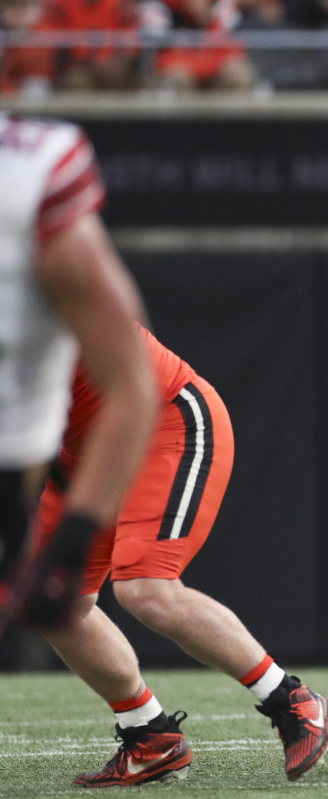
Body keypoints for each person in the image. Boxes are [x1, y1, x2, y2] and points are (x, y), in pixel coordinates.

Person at [34, 325, 328, 786]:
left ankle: (290, 700)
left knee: (145, 587)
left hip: (160, 417)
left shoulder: (43, 274)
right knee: (50, 596)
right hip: (84, 452)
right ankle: (149, 735)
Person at [0, 115, 154, 637]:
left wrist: (71, 542)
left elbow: (132, 385)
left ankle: (282, 694)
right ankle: (145, 721)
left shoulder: (30, 173)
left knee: (147, 589)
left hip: (18, 464)